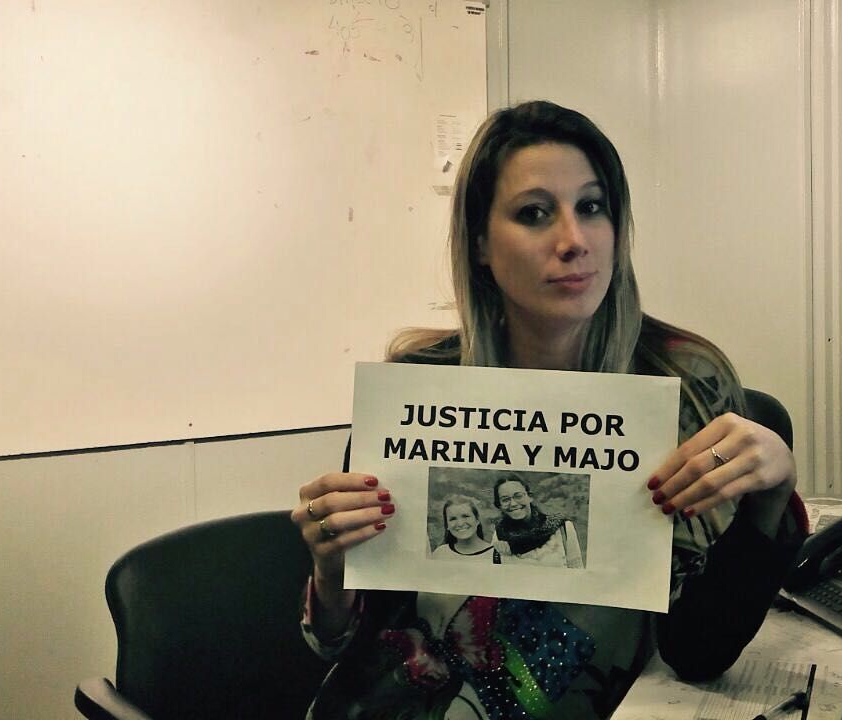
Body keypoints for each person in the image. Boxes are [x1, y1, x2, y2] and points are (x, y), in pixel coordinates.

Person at [291, 100, 807, 719]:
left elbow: (699, 649)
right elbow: (338, 646)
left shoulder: (685, 384)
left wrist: (771, 500)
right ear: (480, 243)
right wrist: (330, 569)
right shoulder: (417, 389)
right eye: (534, 213)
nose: (573, 241)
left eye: (592, 207)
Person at [488, 475, 583, 568]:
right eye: (505, 500)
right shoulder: (499, 535)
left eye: (518, 496)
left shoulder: (563, 528)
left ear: (530, 497)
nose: (513, 504)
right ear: (500, 505)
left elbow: (577, 571)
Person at [432, 493, 502, 563]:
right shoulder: (440, 553)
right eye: (453, 519)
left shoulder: (497, 554)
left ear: (477, 520)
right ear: (447, 525)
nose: (460, 523)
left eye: (465, 516)